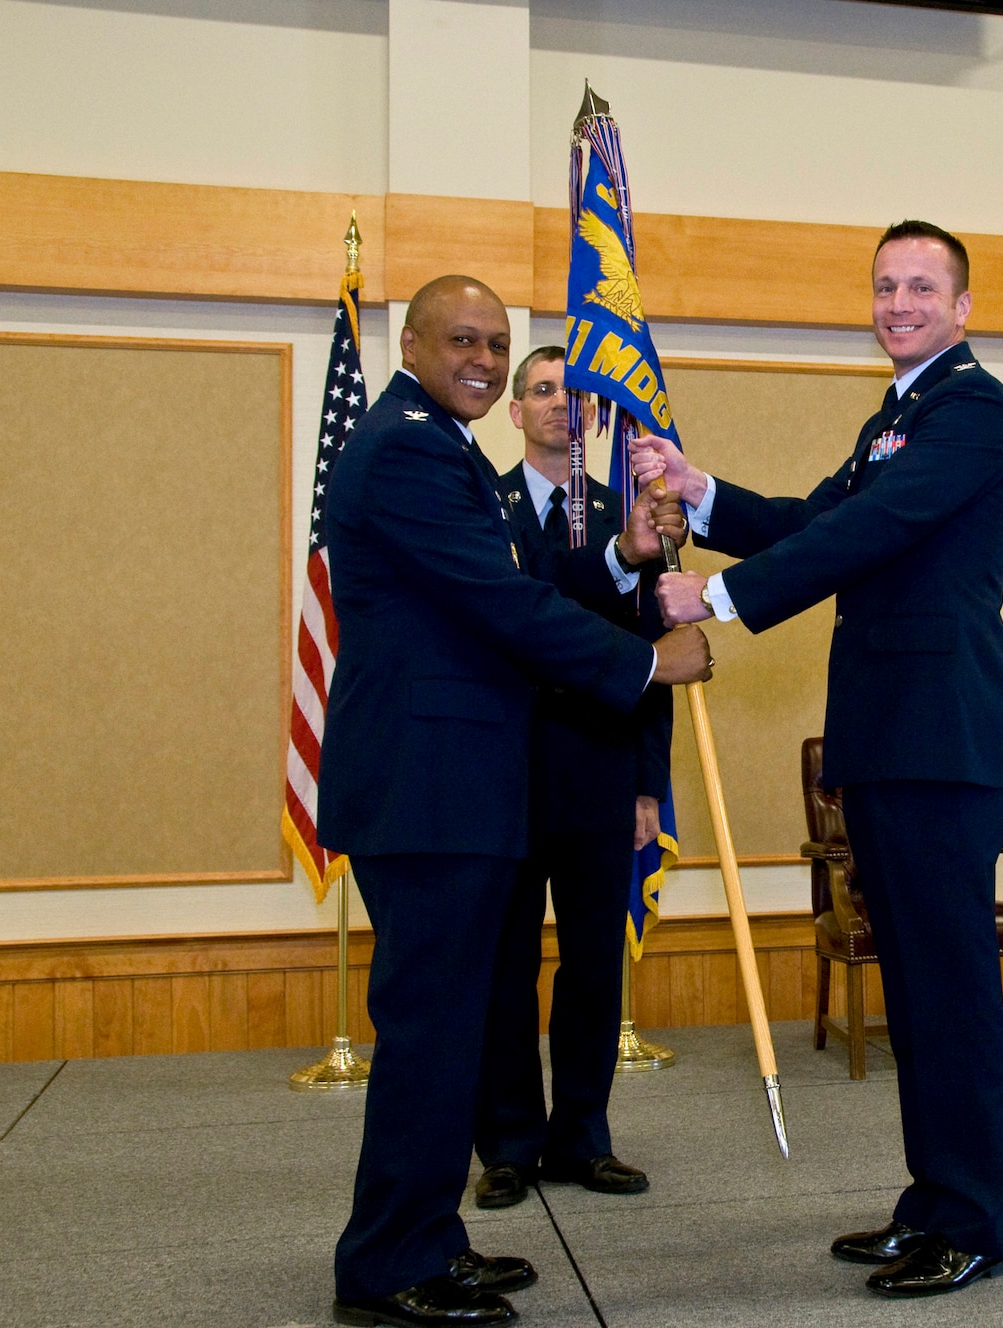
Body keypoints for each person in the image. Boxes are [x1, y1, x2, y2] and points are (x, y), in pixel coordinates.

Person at [633, 220, 1003, 1299]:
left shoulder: (973, 411)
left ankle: (977, 1219)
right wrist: (704, 492)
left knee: (946, 991)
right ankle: (935, 1197)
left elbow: (870, 532)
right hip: (889, 736)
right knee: (913, 991)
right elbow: (815, 518)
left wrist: (713, 596)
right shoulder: (895, 415)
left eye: (920, 286)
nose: (897, 301)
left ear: (961, 307)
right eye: (883, 284)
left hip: (940, 741)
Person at [321, 276, 711, 1328]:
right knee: (431, 1027)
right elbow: (500, 601)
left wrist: (621, 573)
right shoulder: (409, 445)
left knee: (445, 1026)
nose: (485, 360)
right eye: (461, 339)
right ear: (410, 342)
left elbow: (519, 594)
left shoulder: (435, 441)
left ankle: (426, 1239)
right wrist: (642, 665)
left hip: (446, 784)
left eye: (496, 341)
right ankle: (390, 1260)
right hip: (426, 785)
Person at [469, 347, 681, 1211]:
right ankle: (511, 1145)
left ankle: (584, 1137)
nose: (562, 404)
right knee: (506, 968)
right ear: (515, 411)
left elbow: (656, 663)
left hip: (600, 772)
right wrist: (617, 561)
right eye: (545, 390)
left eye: (576, 393)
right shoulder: (487, 503)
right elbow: (523, 612)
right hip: (509, 773)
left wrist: (646, 784)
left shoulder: (631, 517)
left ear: (595, 417)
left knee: (595, 968)